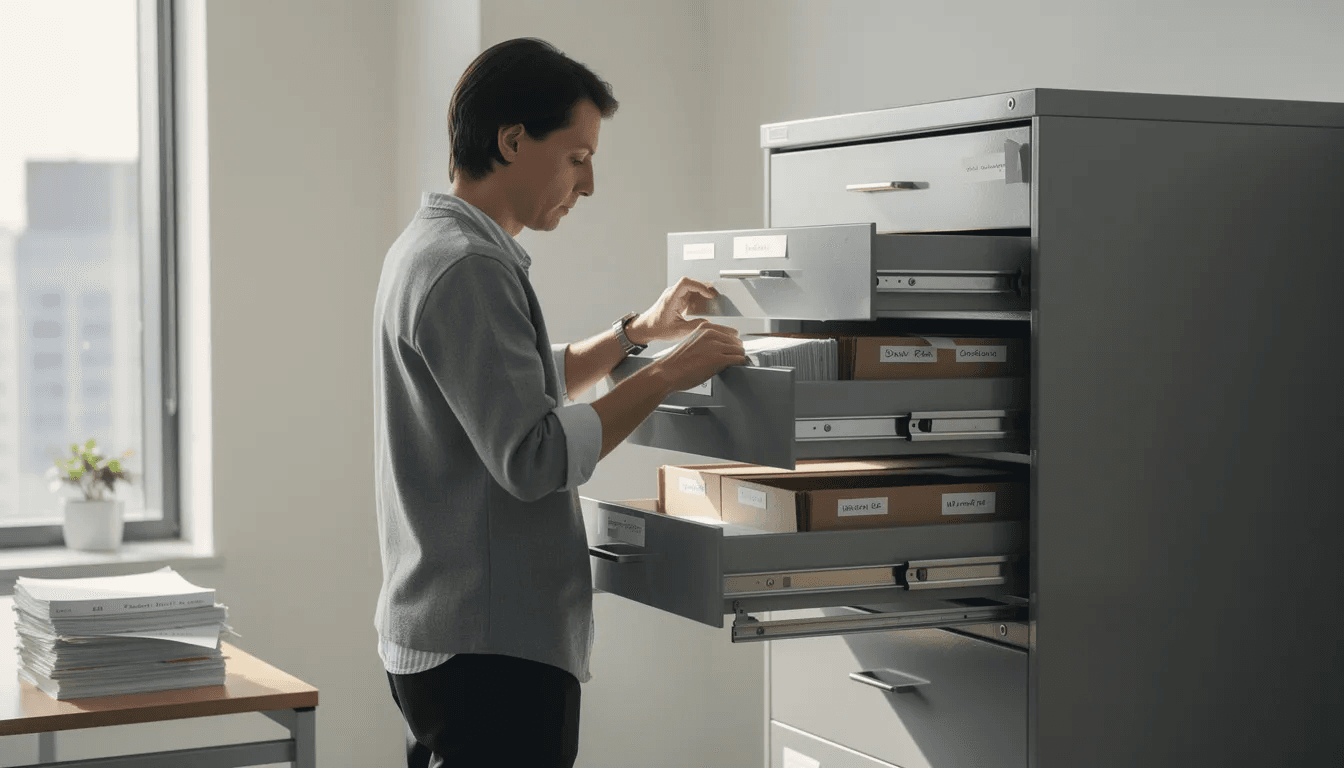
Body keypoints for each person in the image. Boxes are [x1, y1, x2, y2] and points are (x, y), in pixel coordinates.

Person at [371, 37, 746, 768]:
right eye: (577, 157)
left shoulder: (430, 246)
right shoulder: (470, 265)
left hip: (443, 635)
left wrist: (635, 333)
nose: (590, 183)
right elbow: (534, 454)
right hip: (490, 650)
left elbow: (506, 386)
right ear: (513, 140)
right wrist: (667, 373)